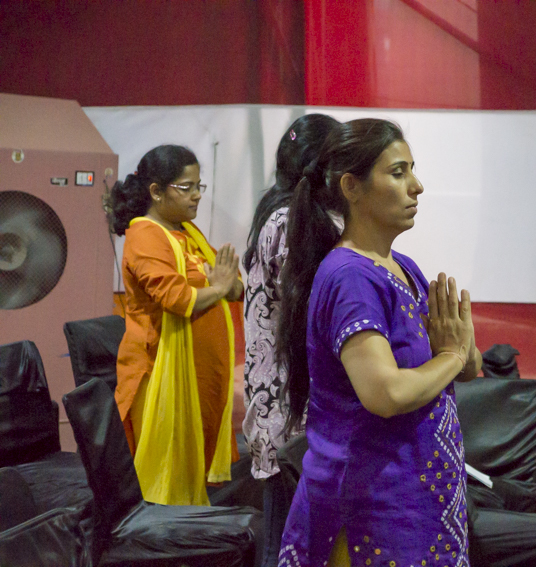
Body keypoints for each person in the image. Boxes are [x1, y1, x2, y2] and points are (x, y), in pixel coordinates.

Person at [275, 118, 482, 567]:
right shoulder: (350, 277)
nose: (417, 186)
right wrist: (452, 354)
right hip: (371, 508)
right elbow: (384, 394)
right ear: (352, 187)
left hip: (413, 500)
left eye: (413, 170)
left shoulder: (400, 265)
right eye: (399, 172)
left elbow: (464, 365)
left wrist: (460, 350)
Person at [109, 145, 242, 506]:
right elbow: (177, 300)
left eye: (200, 185)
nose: (197, 195)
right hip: (160, 372)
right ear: (156, 191)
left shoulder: (186, 231)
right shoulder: (145, 235)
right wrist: (218, 287)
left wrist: (224, 287)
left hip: (199, 372)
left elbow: (235, 288)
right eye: (186, 187)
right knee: (165, 474)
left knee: (192, 466)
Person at [243, 113, 340, 567]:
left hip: (280, 401)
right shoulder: (290, 220)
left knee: (288, 535)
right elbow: (312, 319)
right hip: (290, 405)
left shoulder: (279, 210)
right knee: (286, 539)